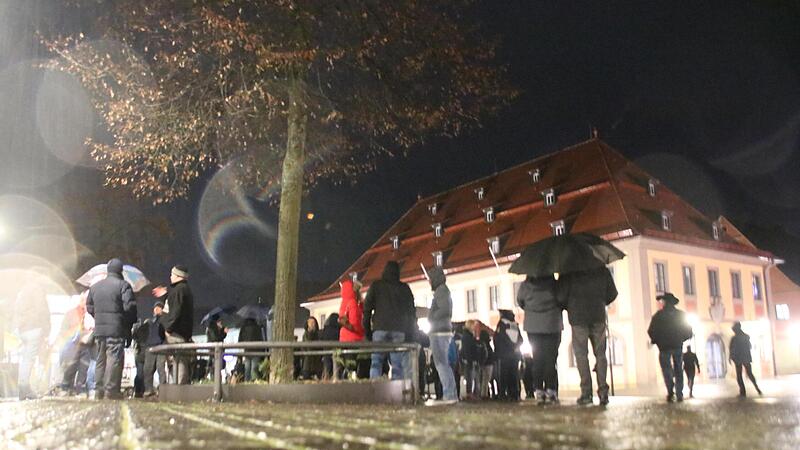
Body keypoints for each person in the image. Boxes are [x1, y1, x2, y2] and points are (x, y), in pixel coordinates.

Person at [558, 266, 617, 405]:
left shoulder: (568, 269)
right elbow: (612, 293)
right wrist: (600, 301)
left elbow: (560, 297)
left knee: (580, 354)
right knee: (601, 354)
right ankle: (603, 393)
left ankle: (586, 393)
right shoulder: (601, 268)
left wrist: (571, 305)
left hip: (578, 317)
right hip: (598, 315)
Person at [86, 258, 137, 400]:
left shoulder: (95, 287)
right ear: (120, 271)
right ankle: (111, 390)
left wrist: (99, 317)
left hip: (100, 330)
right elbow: (129, 307)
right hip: (116, 329)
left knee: (100, 359)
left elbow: (89, 306)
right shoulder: (123, 286)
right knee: (113, 358)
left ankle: (98, 390)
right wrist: (127, 323)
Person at [363, 261, 416, 380]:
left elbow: (366, 309)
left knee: (376, 361)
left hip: (379, 328)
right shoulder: (404, 288)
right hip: (398, 330)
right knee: (397, 364)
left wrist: (367, 331)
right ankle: (396, 394)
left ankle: (375, 389)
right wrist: (409, 334)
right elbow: (411, 313)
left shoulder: (376, 286)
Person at [517, 275, 562, 404]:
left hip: (533, 325)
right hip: (552, 324)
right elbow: (562, 298)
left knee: (537, 358)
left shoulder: (526, 285)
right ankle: (551, 390)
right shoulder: (554, 284)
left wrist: (531, 308)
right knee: (551, 358)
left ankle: (538, 390)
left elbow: (520, 301)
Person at [647, 292, 693, 402]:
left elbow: (651, 330)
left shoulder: (659, 315)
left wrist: (656, 341)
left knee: (666, 369)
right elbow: (688, 331)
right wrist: (681, 339)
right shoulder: (681, 315)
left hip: (664, 347)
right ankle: (679, 392)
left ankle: (670, 390)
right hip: (677, 345)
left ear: (665, 303)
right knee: (678, 369)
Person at [153, 264, 194, 385]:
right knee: (177, 361)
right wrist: (166, 295)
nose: (170, 276)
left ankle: (179, 389)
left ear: (178, 276)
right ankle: (178, 387)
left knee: (179, 361)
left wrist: (168, 328)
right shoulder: (181, 290)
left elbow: (175, 311)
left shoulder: (179, 290)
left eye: (172, 274)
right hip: (178, 331)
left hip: (176, 333)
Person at [14, 274, 51, 400]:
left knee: (25, 358)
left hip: (22, 329)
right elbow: (42, 310)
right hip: (34, 327)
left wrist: (18, 326)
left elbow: (16, 311)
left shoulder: (22, 291)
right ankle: (24, 387)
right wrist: (46, 329)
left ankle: (24, 388)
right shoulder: (37, 290)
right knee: (29, 359)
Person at [426, 266, 457, 404]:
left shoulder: (441, 291)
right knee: (443, 364)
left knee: (441, 364)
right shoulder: (442, 291)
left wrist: (431, 317)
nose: (429, 282)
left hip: (439, 332)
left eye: (430, 279)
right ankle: (451, 394)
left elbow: (445, 310)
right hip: (441, 330)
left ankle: (449, 394)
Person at [338, 279, 369, 379]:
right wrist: (363, 332)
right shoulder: (353, 303)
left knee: (346, 365)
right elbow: (355, 323)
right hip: (354, 340)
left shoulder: (344, 302)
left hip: (344, 339)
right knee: (356, 366)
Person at [494, 310, 523, 401]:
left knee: (504, 375)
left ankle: (503, 394)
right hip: (515, 354)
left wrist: (498, 351)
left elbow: (499, 338)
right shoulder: (515, 325)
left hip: (505, 354)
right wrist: (515, 346)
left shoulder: (501, 325)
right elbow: (521, 339)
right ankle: (515, 394)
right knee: (514, 374)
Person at [729, 321, 763, 397]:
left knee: (739, 375)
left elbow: (731, 349)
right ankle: (757, 388)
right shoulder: (746, 337)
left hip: (738, 358)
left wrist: (731, 357)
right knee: (749, 373)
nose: (733, 330)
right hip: (746, 357)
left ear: (736, 329)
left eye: (734, 329)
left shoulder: (734, 338)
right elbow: (749, 346)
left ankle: (743, 391)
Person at [143, 302, 167, 397]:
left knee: (160, 368)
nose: (157, 309)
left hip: (161, 347)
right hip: (150, 347)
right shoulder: (149, 321)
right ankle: (148, 389)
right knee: (148, 369)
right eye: (155, 308)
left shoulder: (164, 320)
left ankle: (163, 389)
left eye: (159, 308)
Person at [461, 319, 484, 400]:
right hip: (471, 361)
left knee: (473, 377)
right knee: (471, 377)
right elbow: (468, 349)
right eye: (473, 325)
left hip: (472, 360)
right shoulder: (468, 336)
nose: (474, 327)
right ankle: (470, 393)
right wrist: (471, 359)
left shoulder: (469, 336)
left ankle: (473, 393)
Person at [238, 317, 264, 381]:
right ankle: (254, 382)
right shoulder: (258, 327)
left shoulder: (243, 328)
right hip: (256, 350)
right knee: (254, 369)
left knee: (247, 368)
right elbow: (261, 339)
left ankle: (246, 382)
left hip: (247, 351)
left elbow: (240, 340)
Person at [320, 313, 341, 380]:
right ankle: (335, 378)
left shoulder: (326, 329)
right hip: (336, 349)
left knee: (327, 366)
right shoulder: (338, 328)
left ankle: (326, 378)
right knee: (336, 365)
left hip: (326, 350)